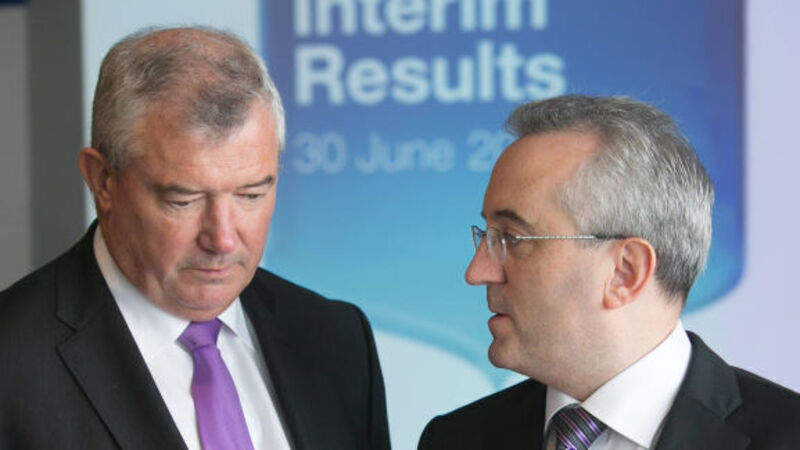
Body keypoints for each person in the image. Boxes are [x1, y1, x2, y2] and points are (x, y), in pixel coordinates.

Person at [0, 26, 389, 450]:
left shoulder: (336, 341)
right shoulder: (12, 361)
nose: (222, 239)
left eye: (251, 195)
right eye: (183, 200)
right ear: (103, 181)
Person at [418, 95, 800, 449]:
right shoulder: (454, 439)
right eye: (487, 236)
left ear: (625, 272)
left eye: (513, 238)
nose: (477, 272)